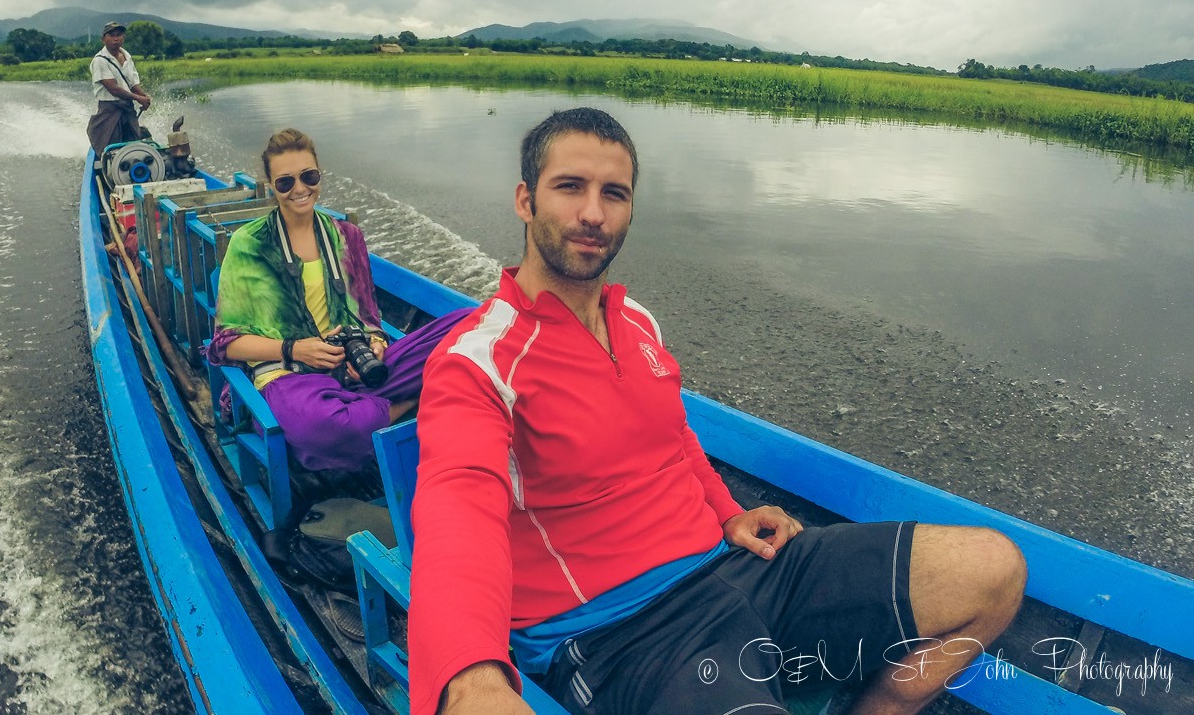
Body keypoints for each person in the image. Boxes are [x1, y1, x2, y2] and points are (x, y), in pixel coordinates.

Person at [409, 107, 1027, 715]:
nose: (593, 213)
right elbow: (458, 512)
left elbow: (674, 439)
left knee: (991, 570)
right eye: (570, 187)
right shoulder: (480, 362)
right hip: (623, 634)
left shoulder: (636, 322)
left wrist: (729, 512)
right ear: (526, 200)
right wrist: (470, 680)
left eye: (614, 194)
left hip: (738, 571)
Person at [205, 128, 467, 473]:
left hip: (353, 363)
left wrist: (372, 344)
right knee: (325, 428)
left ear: (319, 175)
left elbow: (369, 318)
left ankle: (364, 408)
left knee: (468, 323)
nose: (300, 189)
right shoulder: (248, 244)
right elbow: (226, 344)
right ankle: (414, 403)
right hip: (290, 374)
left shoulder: (347, 236)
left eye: (308, 176)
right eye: (285, 182)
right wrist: (294, 349)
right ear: (271, 186)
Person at [87, 21, 151, 158]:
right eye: (111, 35)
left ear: (123, 37)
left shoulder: (127, 56)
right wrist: (138, 98)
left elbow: (133, 83)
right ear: (103, 39)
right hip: (110, 110)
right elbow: (114, 89)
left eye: (119, 35)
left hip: (127, 108)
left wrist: (144, 97)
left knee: (134, 144)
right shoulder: (100, 60)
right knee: (111, 150)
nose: (116, 38)